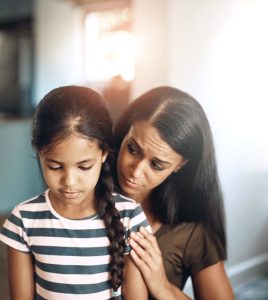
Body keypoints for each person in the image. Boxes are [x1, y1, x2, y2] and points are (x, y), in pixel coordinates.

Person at [0, 86, 149, 300]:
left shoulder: (129, 217)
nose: (69, 182)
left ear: (104, 154)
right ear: (40, 153)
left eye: (84, 167)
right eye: (55, 166)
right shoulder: (23, 220)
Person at [113, 86, 235, 300]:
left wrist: (162, 287)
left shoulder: (191, 230)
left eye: (156, 165)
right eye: (132, 149)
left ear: (180, 165)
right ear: (126, 131)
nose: (136, 171)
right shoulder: (83, 188)